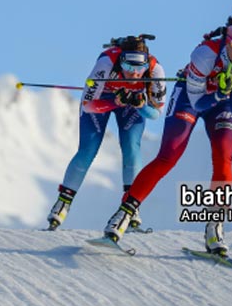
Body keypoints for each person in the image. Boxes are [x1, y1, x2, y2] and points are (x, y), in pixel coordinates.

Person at [101, 9, 232, 255]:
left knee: (224, 156)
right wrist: (219, 92)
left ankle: (215, 226)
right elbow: (198, 103)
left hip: (223, 104)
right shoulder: (205, 55)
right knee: (168, 156)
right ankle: (123, 214)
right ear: (227, 42)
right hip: (192, 98)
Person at [46, 35, 167, 230]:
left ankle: (131, 208)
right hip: (102, 100)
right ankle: (62, 204)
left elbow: (156, 113)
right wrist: (113, 102)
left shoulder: (155, 70)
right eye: (129, 67)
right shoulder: (106, 64)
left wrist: (142, 104)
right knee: (87, 150)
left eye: (139, 69)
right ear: (121, 61)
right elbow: (87, 105)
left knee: (131, 149)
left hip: (132, 103)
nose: (135, 74)